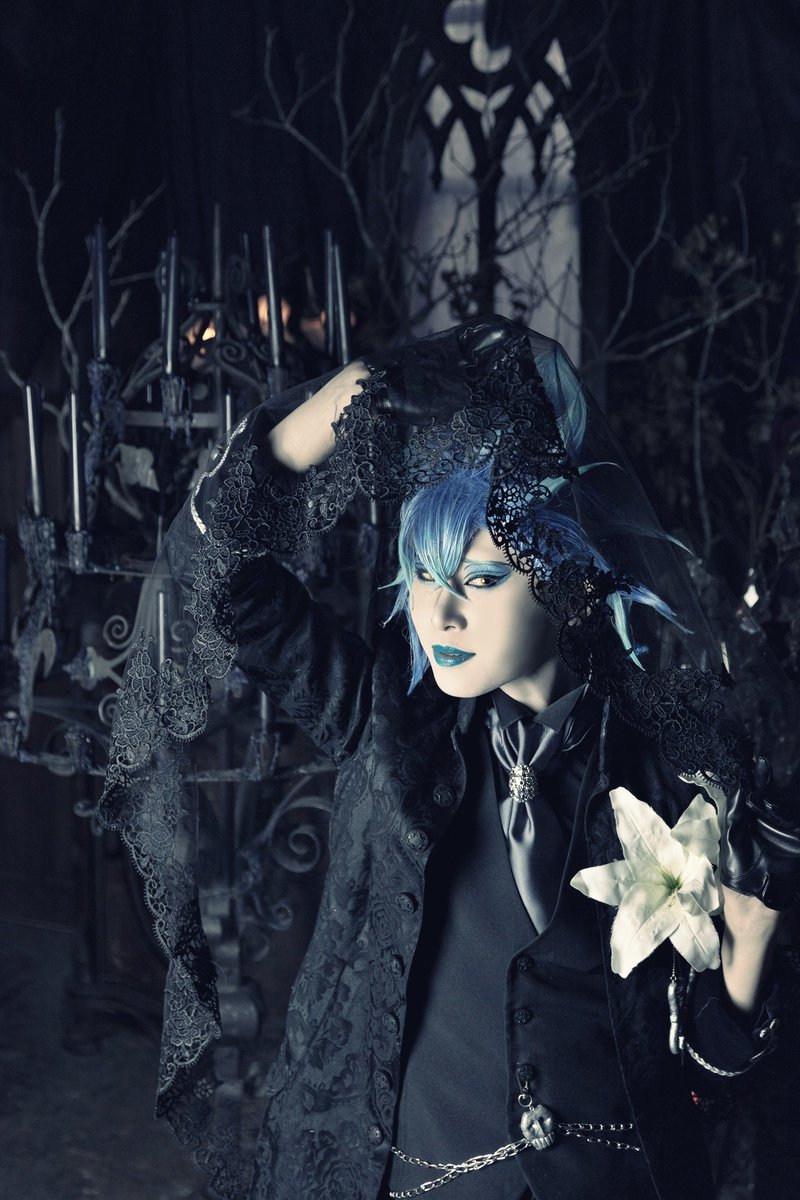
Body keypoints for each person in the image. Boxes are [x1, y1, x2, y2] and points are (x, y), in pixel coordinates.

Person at [99, 317, 797, 1200]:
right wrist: (307, 425)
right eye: (425, 575)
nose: (440, 615)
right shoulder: (385, 716)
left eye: (481, 578)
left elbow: (710, 1083)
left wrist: (749, 952)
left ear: (564, 578)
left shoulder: (671, 766)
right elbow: (213, 579)